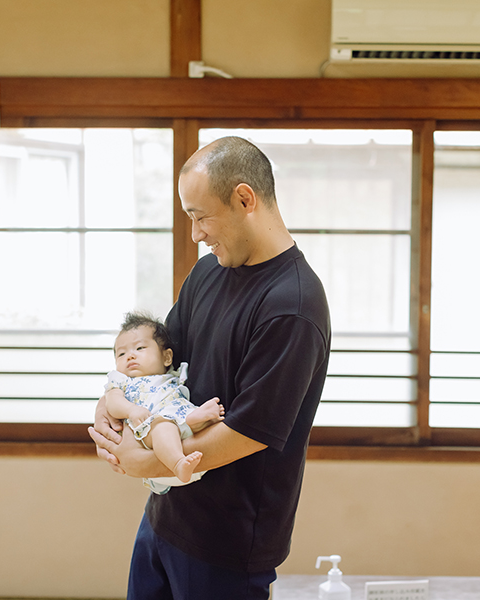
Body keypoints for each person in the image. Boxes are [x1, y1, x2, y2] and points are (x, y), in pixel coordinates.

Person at [89, 135, 331, 600]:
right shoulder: (208, 272)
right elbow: (160, 361)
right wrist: (109, 402)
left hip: (228, 541)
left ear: (245, 199)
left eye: (201, 216)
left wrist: (142, 460)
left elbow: (249, 430)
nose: (196, 233)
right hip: (166, 514)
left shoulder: (293, 305)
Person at [98, 311, 224, 494]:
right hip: (148, 426)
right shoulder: (121, 382)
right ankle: (178, 462)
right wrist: (131, 410)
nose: (130, 356)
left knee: (182, 419)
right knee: (163, 426)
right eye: (121, 353)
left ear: (166, 357)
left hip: (178, 417)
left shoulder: (171, 375)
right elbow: (113, 403)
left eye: (140, 348)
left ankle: (195, 420)